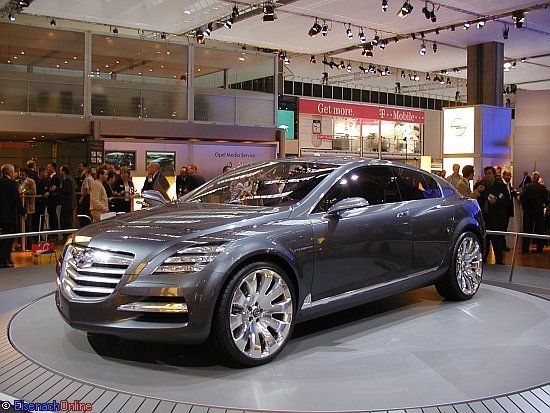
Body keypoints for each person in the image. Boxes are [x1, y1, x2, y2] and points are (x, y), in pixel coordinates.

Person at [474, 166, 510, 264]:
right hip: (484, 218)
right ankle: (483, 259)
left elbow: (507, 201)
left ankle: (499, 261)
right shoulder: (480, 185)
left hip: (496, 218)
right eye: (486, 173)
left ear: (494, 174)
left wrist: (497, 201)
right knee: (484, 240)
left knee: (497, 240)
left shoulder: (501, 186)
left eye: (489, 173)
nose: (487, 175)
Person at [0, 164, 26, 268]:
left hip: (1, 216)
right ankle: (6, 259)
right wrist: (23, 212)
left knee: (2, 238)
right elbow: (17, 199)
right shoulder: (12, 183)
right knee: (9, 238)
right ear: (10, 172)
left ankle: (3, 259)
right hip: (9, 215)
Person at [520, 171, 549, 253]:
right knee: (539, 230)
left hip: (528, 211)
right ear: (538, 178)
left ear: (532, 178)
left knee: (527, 230)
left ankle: (525, 249)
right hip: (539, 211)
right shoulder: (543, 188)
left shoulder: (527, 186)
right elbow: (546, 200)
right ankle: (539, 248)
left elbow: (521, 196)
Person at [18, 167, 36, 239]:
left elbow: (33, 191)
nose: (21, 176)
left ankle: (29, 242)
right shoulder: (17, 182)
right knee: (19, 224)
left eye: (23, 175)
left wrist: (23, 192)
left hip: (28, 205)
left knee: (28, 224)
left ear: (26, 175)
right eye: (20, 175)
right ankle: (20, 241)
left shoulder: (31, 181)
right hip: (19, 204)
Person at [59, 165, 76, 237]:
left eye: (61, 170)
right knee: (64, 220)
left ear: (64, 171)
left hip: (67, 203)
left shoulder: (68, 179)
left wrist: (57, 189)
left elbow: (67, 190)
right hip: (67, 202)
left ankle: (67, 236)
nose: (60, 172)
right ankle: (65, 236)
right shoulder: (66, 179)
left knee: (67, 220)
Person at [44, 162, 61, 234]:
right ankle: (51, 231)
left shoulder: (56, 177)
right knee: (50, 214)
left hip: (54, 199)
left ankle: (55, 232)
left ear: (53, 167)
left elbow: (56, 188)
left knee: (53, 215)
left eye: (49, 167)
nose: (47, 168)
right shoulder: (48, 177)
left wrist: (50, 192)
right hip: (49, 200)